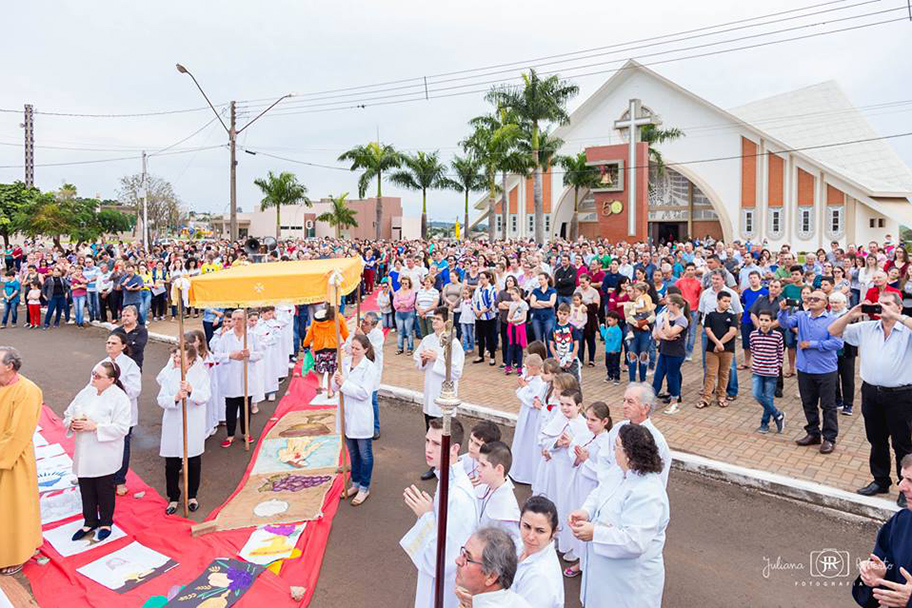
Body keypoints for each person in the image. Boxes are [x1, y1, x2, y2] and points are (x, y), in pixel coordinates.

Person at [569, 424, 670, 608]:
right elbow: (600, 492)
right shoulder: (620, 471)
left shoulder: (648, 493)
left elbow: (634, 541)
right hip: (605, 575)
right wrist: (586, 511)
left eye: (616, 446)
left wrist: (595, 533)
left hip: (628, 583)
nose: (613, 451)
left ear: (629, 454)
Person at [829, 292, 912, 507]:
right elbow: (833, 331)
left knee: (902, 443)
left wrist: (896, 316)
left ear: (899, 308)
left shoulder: (906, 330)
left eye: (887, 304)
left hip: (900, 396)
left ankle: (906, 486)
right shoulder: (866, 329)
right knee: (876, 440)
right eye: (879, 304)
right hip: (871, 393)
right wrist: (852, 313)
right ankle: (880, 480)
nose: (881, 307)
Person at [401, 418, 478, 608]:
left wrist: (426, 517)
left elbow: (443, 559)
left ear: (454, 448)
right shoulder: (446, 478)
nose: (428, 448)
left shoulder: (458, 496)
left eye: (436, 443)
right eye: (427, 441)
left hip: (445, 587)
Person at [63, 361, 132, 542]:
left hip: (105, 451)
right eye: (94, 373)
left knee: (104, 489)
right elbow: (68, 413)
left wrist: (95, 427)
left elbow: (122, 428)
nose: (94, 378)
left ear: (111, 380)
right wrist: (72, 423)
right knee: (86, 487)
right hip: (85, 450)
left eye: (98, 376)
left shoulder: (120, 398)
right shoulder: (86, 391)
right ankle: (89, 521)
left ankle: (106, 522)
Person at [778, 289, 843, 454]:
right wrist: (783, 310)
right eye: (810, 297)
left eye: (817, 298)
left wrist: (812, 344)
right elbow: (785, 323)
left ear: (825, 303)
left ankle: (829, 438)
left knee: (828, 405)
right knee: (808, 403)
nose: (812, 300)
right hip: (805, 368)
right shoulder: (801, 316)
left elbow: (837, 344)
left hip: (825, 370)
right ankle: (813, 433)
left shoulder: (833, 320)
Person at [0, 347, 43, 575]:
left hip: (12, 458)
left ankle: (16, 554)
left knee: (12, 509)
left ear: (10, 366)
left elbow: (18, 434)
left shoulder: (28, 391)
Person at [156, 343, 211, 515]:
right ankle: (173, 497)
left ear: (192, 359)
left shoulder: (201, 374)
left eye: (181, 357)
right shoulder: (169, 375)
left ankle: (192, 495)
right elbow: (161, 399)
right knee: (171, 464)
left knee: (193, 462)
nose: (177, 359)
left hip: (192, 422)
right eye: (175, 356)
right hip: (173, 423)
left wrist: (191, 390)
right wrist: (176, 397)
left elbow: (205, 396)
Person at [852, 453, 912, 607]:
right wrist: (877, 578)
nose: (901, 487)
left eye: (911, 481)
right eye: (903, 478)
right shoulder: (901, 522)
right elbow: (870, 598)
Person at [414, 307, 465, 481]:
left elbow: (457, 371)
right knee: (430, 430)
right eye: (433, 319)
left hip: (445, 395)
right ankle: (433, 465)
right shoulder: (428, 339)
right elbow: (416, 359)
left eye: (437, 319)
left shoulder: (454, 343)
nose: (433, 321)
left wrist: (437, 358)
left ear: (446, 322)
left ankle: (448, 465)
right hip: (430, 392)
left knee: (445, 434)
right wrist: (423, 358)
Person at [334, 334, 379, 506]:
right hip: (346, 414)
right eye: (352, 347)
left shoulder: (369, 368)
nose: (353, 351)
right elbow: (334, 386)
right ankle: (355, 483)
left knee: (365, 454)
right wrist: (336, 380)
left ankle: (364, 487)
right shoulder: (345, 362)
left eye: (357, 349)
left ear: (366, 350)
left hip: (361, 416)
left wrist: (344, 383)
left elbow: (363, 393)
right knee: (352, 453)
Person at [601, 383, 671, 486]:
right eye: (624, 400)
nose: (624, 406)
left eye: (630, 402)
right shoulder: (617, 428)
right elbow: (603, 458)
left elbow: (655, 478)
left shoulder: (655, 439)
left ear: (645, 408)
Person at [213, 309, 263, 448]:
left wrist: (249, 354)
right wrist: (230, 355)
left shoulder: (252, 336)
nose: (236, 322)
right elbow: (217, 354)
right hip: (230, 377)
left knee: (245, 406)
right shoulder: (226, 336)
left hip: (247, 376)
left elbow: (260, 354)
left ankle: (246, 432)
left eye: (239, 319)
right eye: (234, 319)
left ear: (246, 320)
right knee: (230, 406)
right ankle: (230, 434)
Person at [99, 332, 142, 496]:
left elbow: (136, 390)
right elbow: (92, 384)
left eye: (114, 343)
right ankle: (106, 478)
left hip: (124, 412)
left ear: (123, 346)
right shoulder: (101, 364)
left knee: (122, 447)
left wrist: (117, 384)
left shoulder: (131, 365)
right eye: (108, 342)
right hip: (105, 412)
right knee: (106, 446)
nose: (109, 345)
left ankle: (119, 480)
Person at [454, 527, 531, 608]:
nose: (458, 561)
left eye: (468, 558)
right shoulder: (516, 601)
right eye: (463, 553)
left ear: (491, 576)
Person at [511, 496, 565, 608]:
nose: (530, 537)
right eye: (526, 526)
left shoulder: (540, 578)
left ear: (553, 532)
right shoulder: (520, 545)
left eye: (540, 531)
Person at [511, 354, 548, 485]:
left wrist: (524, 387)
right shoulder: (531, 378)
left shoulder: (539, 382)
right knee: (521, 440)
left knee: (529, 443)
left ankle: (526, 473)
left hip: (533, 418)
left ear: (533, 367)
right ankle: (517, 470)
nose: (525, 369)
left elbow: (532, 399)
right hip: (525, 415)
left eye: (527, 367)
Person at [700, 290, 738, 409]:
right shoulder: (710, 315)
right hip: (712, 349)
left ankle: (721, 396)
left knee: (724, 373)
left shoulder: (732, 316)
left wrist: (720, 343)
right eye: (724, 301)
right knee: (710, 374)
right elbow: (708, 330)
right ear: (718, 301)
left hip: (727, 349)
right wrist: (716, 343)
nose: (727, 304)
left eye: (729, 302)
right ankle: (706, 398)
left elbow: (732, 331)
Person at [750, 311, 786, 434]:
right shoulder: (753, 335)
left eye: (766, 320)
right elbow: (753, 350)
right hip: (757, 370)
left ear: (771, 322)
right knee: (756, 394)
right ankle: (777, 414)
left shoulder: (777, 336)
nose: (763, 323)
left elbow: (780, 353)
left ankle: (764, 423)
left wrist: (777, 367)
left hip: (771, 371)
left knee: (768, 398)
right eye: (761, 320)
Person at [652, 294, 688, 413]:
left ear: (676, 305)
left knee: (672, 377)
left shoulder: (682, 320)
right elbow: (658, 333)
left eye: (668, 304)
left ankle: (674, 402)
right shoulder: (668, 316)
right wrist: (666, 337)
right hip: (664, 350)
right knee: (658, 375)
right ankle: (650, 400)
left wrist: (666, 321)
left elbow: (669, 332)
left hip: (676, 353)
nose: (666, 306)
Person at [302, 306, 349, 397]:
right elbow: (345, 332)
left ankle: (320, 384)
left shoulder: (317, 318)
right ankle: (330, 390)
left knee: (320, 368)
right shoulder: (339, 318)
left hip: (319, 347)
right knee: (331, 370)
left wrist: (306, 344)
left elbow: (310, 333)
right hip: (333, 346)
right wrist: (348, 342)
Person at [462, 420, 501, 485]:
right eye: (471, 440)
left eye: (477, 444)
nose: (471, 447)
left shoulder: (495, 469)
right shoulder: (461, 461)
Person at [112, 305, 148, 370]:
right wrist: (130, 343)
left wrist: (119, 346)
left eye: (128, 316)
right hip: (117, 365)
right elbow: (111, 347)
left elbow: (137, 347)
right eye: (123, 316)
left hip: (134, 365)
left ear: (135, 317)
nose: (125, 318)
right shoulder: (116, 331)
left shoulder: (142, 331)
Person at [394, 276, 417, 354]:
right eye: (403, 283)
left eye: (406, 283)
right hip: (399, 314)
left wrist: (402, 303)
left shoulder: (411, 292)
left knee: (409, 332)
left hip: (409, 313)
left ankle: (410, 348)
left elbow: (411, 302)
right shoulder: (397, 292)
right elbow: (395, 303)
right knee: (400, 332)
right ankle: (400, 348)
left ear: (409, 284)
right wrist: (404, 303)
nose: (404, 285)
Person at [600, 312, 623, 384]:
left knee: (615, 364)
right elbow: (605, 335)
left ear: (616, 320)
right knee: (608, 363)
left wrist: (615, 349)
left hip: (615, 351)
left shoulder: (617, 330)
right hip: (608, 350)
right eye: (608, 320)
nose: (608, 322)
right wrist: (602, 328)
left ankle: (616, 377)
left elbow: (618, 340)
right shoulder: (609, 328)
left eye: (610, 320)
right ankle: (610, 375)